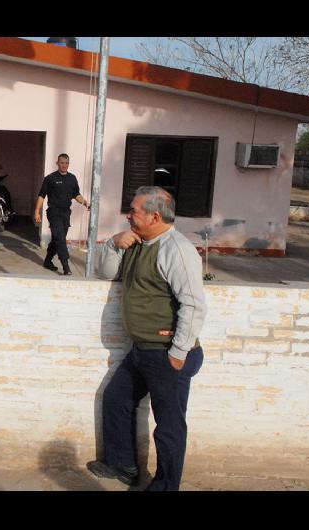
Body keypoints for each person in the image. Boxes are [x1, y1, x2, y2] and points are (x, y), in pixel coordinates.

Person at [86, 186, 206, 491]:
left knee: (168, 427)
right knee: (116, 399)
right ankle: (123, 464)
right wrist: (114, 244)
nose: (129, 214)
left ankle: (165, 486)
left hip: (167, 353)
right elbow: (104, 272)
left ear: (154, 216)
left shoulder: (176, 249)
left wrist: (178, 352)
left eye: (134, 210)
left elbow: (193, 304)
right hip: (142, 350)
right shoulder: (137, 243)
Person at [33, 153, 89, 276]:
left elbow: (76, 195)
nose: (64, 165)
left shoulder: (72, 178)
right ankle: (66, 266)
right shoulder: (50, 178)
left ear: (68, 164)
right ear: (57, 163)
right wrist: (37, 211)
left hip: (66, 213)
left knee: (57, 238)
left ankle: (47, 261)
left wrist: (85, 202)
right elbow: (42, 195)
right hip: (54, 212)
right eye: (62, 163)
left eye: (66, 163)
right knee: (60, 238)